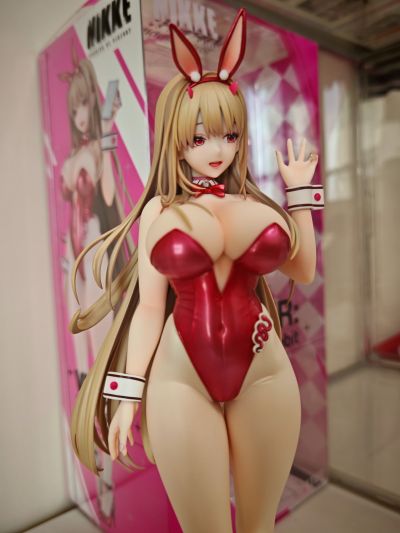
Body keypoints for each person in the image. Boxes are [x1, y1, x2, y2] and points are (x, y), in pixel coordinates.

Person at [70, 8, 322, 532]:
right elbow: (148, 311)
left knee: (258, 525)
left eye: (230, 135)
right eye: (201, 137)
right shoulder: (159, 212)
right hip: (179, 380)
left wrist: (301, 193)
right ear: (176, 136)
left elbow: (302, 269)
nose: (217, 150)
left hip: (265, 374)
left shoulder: (257, 205)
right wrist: (125, 394)